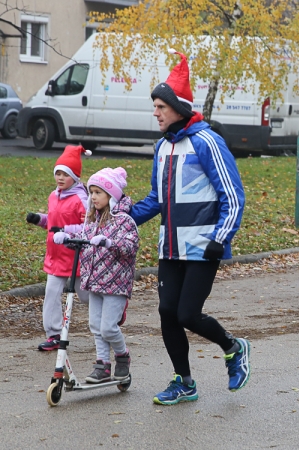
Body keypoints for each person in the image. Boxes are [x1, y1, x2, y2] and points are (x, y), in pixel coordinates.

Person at [130, 50, 248, 405]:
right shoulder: (161, 148)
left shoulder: (207, 141)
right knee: (167, 312)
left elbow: (233, 194)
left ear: (178, 108)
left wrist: (221, 238)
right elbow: (156, 198)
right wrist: (122, 217)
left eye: (160, 107)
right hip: (171, 245)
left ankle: (233, 347)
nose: (155, 113)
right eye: (154, 107)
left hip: (203, 245)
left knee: (187, 314)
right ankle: (184, 382)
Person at [53, 167, 138, 383]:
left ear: (111, 195)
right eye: (91, 192)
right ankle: (102, 365)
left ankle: (122, 355)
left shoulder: (124, 222)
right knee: (95, 326)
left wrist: (110, 243)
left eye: (98, 192)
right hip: (94, 282)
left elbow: (130, 246)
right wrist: (66, 237)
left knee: (109, 328)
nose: (93, 197)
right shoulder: (93, 221)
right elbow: (83, 239)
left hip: (115, 285)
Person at [26, 145, 91, 351]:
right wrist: (39, 219)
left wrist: (64, 229)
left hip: (77, 255)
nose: (60, 178)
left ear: (75, 176)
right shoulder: (54, 196)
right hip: (55, 256)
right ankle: (53, 334)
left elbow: (87, 227)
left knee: (87, 296)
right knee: (51, 294)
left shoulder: (82, 199)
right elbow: (52, 222)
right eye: (58, 173)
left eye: (65, 174)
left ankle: (110, 317)